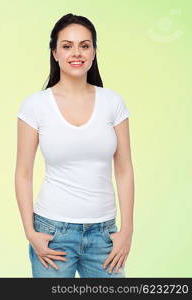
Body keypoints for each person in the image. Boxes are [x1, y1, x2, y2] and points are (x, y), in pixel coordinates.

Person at [15, 13, 134, 278]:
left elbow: (124, 169)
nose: (76, 53)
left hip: (104, 235)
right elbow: (23, 173)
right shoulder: (35, 106)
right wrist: (30, 232)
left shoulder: (113, 103)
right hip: (52, 233)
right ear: (55, 53)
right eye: (67, 46)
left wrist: (126, 231)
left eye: (85, 45)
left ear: (93, 52)